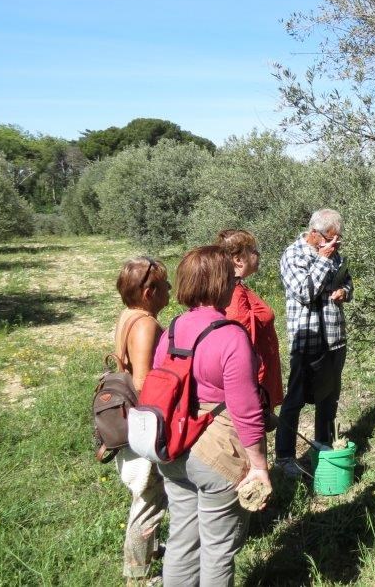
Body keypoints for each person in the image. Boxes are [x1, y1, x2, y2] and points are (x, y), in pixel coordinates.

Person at [154, 245, 270, 587]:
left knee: (182, 541)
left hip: (173, 445)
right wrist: (259, 466)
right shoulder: (230, 335)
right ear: (221, 284)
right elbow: (246, 411)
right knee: (218, 549)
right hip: (215, 452)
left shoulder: (173, 329)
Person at [275, 209, 353, 478]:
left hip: (334, 337)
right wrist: (322, 260)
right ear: (315, 234)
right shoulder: (293, 255)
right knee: (295, 398)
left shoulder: (333, 253)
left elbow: (346, 280)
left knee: (329, 396)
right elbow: (305, 293)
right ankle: (284, 456)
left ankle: (324, 442)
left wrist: (345, 291)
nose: (336, 244)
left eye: (338, 240)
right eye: (332, 239)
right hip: (307, 339)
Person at [112, 256, 171, 585]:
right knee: (148, 499)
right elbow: (143, 382)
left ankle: (148, 550)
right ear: (148, 291)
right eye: (165, 286)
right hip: (144, 422)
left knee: (145, 496)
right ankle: (138, 572)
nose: (169, 292)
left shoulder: (128, 315)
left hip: (130, 419)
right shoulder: (146, 323)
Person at [216, 229, 284, 410]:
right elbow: (242, 347)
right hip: (255, 387)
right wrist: (254, 392)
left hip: (261, 382)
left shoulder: (239, 289)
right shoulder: (236, 297)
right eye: (253, 250)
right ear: (238, 260)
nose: (258, 253)